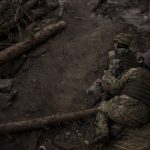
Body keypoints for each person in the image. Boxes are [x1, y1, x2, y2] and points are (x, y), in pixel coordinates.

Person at [89, 66, 150, 145]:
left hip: (124, 111)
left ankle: (102, 132)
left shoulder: (134, 71)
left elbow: (115, 88)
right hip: (141, 120)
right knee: (126, 115)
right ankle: (116, 129)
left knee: (102, 108)